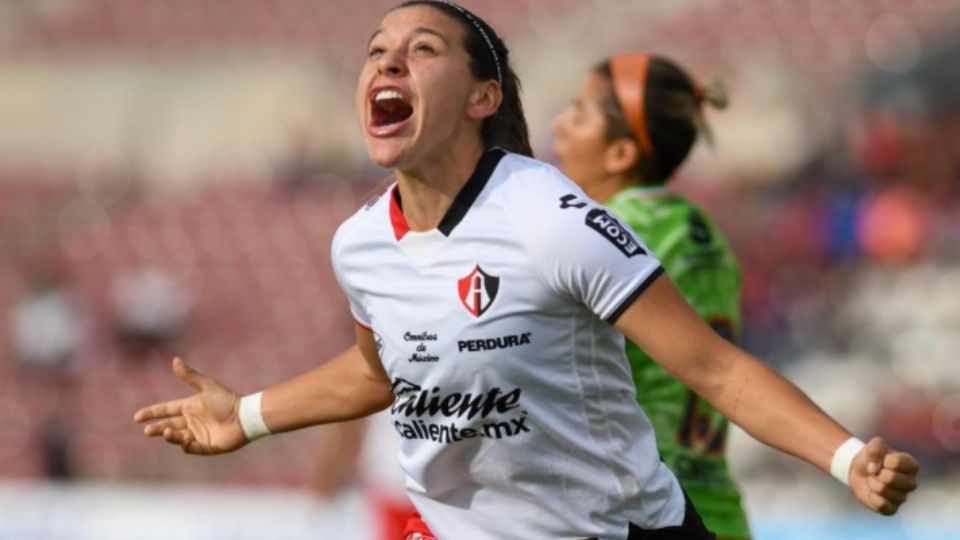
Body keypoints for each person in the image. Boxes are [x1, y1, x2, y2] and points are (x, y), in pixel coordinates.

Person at [133, 2, 919, 539]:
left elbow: (713, 368)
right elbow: (380, 372)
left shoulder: (547, 214)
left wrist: (847, 458)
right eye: (376, 51)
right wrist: (250, 416)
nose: (388, 61)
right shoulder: (360, 243)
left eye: (421, 50)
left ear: (483, 96)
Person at [551, 54, 748, 539]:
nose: (559, 126)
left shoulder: (609, 235)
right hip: (720, 510)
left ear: (620, 154)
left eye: (579, 113)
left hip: (648, 514)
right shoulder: (703, 231)